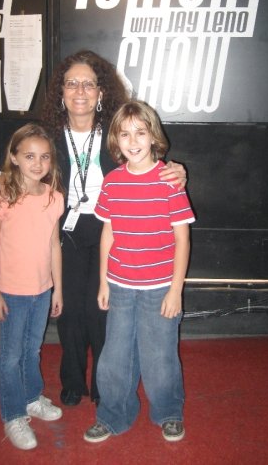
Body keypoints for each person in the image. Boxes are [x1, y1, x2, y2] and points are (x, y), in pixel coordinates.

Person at [0, 50, 187, 408]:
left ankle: (102, 385)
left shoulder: (115, 132)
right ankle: (73, 381)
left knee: (101, 310)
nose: (80, 90)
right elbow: (20, 159)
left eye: (88, 84)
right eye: (72, 83)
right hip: (66, 230)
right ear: (61, 92)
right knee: (70, 312)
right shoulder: (47, 134)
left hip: (111, 227)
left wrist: (177, 170)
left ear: (101, 92)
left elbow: (146, 158)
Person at [84, 100, 195, 444]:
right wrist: (103, 280)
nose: (133, 141)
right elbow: (109, 233)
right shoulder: (112, 183)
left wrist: (176, 290)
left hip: (159, 287)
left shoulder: (168, 182)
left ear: (153, 137)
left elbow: (182, 238)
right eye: (125, 134)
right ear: (116, 140)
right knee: (114, 354)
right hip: (119, 285)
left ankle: (168, 412)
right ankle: (113, 414)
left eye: (140, 133)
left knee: (159, 355)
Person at [0, 123, 65, 451]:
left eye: (44, 156)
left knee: (32, 349)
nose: (37, 163)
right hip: (12, 291)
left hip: (42, 289)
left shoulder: (53, 198)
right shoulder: (4, 195)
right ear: (14, 157)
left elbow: (54, 245)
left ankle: (32, 397)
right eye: (29, 155)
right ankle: (13, 413)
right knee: (10, 355)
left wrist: (57, 288)